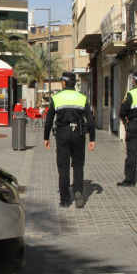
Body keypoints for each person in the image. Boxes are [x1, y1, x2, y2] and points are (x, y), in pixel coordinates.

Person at [44, 72, 95, 208]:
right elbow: (90, 119)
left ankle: (65, 199)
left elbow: (49, 119)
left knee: (63, 167)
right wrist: (92, 139)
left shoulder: (56, 98)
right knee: (78, 165)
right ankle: (78, 192)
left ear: (64, 83)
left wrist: (46, 137)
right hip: (79, 133)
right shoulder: (82, 98)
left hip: (62, 134)